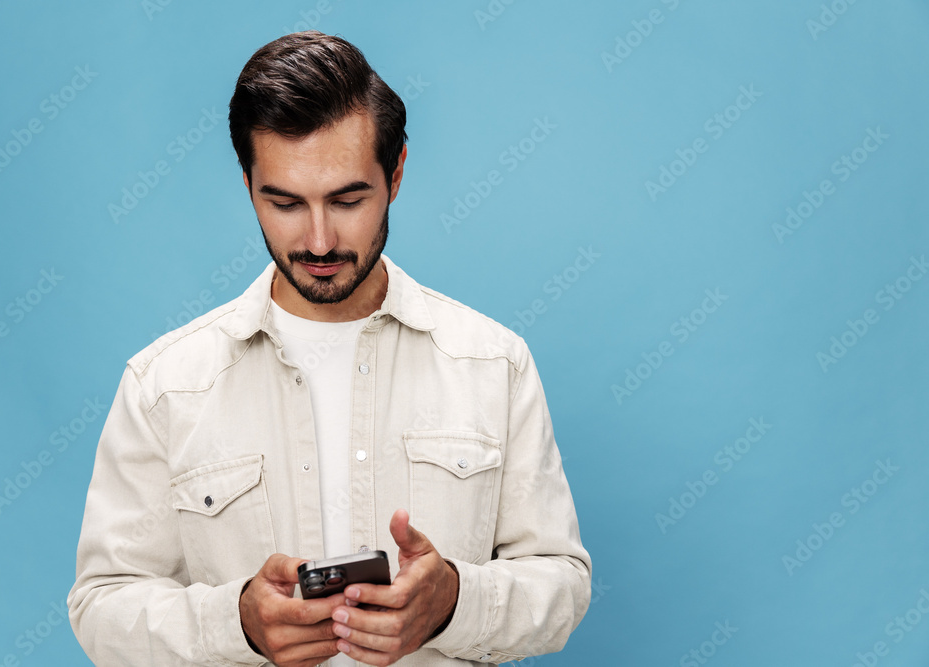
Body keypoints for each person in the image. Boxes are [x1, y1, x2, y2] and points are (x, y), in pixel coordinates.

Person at [68, 30, 591, 667]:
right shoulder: (165, 385)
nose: (318, 241)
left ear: (395, 173)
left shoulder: (493, 364)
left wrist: (454, 602)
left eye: (347, 199)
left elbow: (561, 583)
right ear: (247, 184)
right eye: (284, 202)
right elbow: (102, 605)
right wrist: (237, 622)